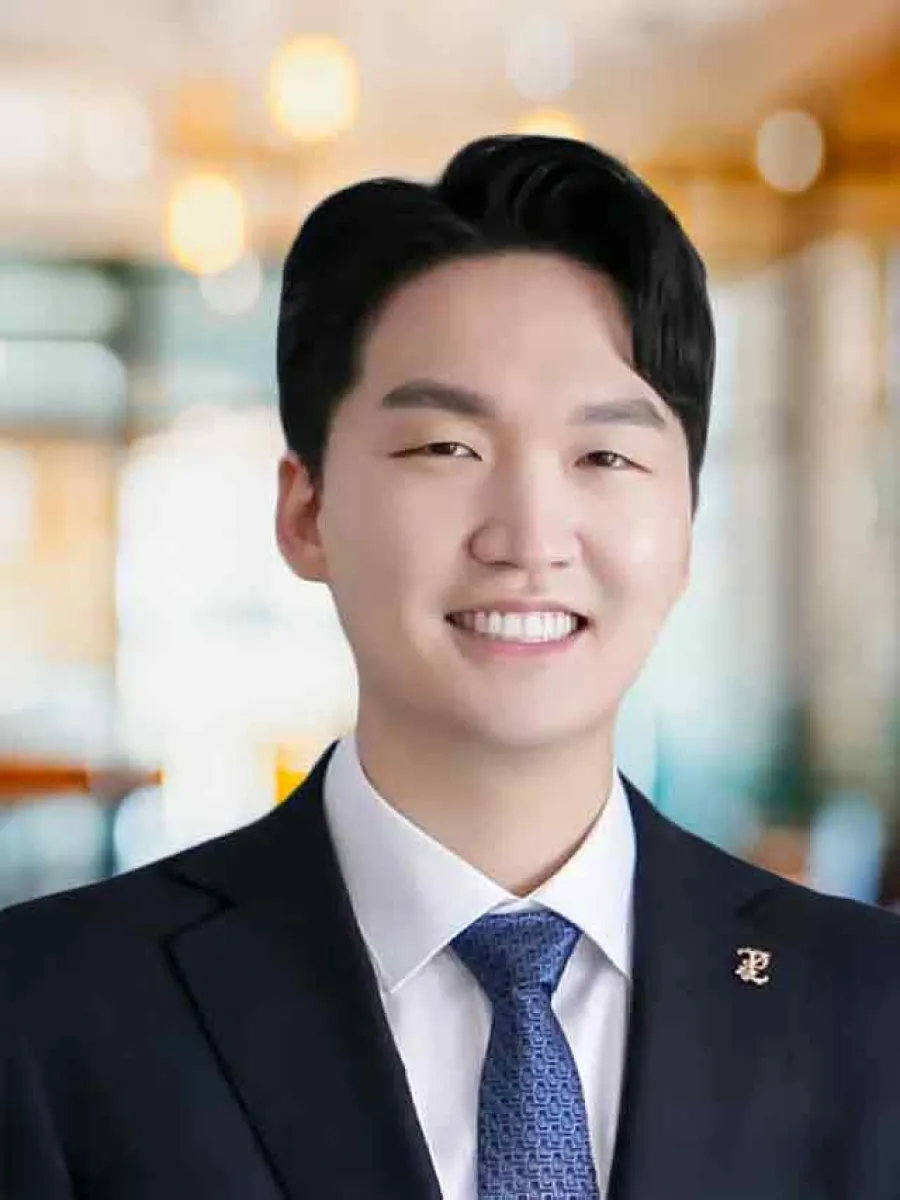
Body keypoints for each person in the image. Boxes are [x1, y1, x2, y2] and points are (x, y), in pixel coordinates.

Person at [2, 134, 899, 1200]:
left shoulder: (869, 1007)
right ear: (306, 510)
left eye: (605, 456)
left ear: (689, 525)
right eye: (447, 449)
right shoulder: (49, 1013)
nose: (528, 535)